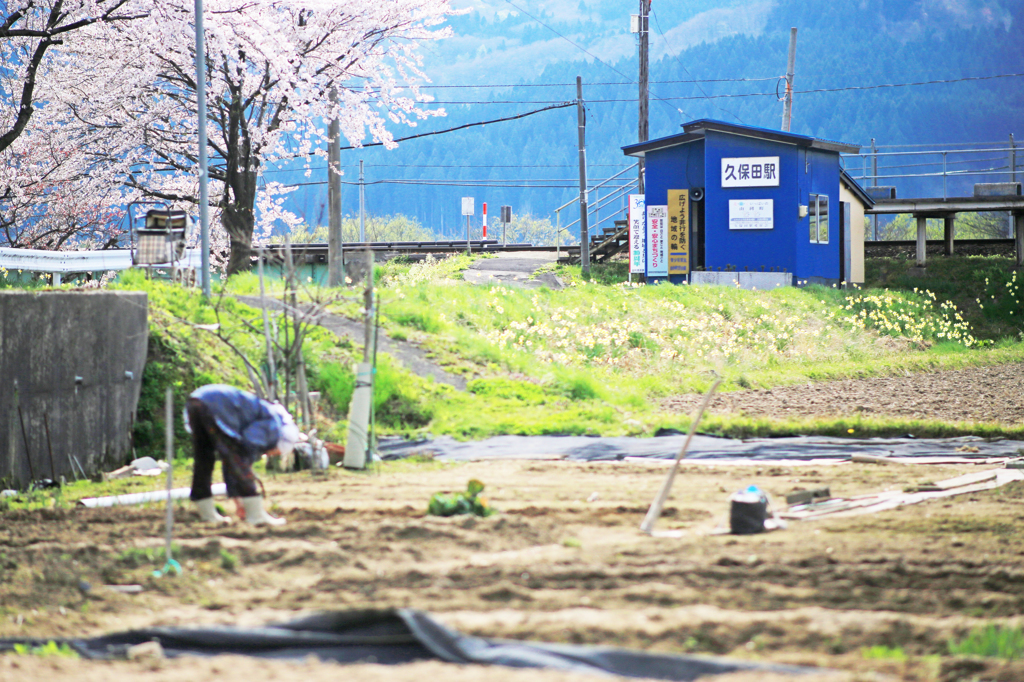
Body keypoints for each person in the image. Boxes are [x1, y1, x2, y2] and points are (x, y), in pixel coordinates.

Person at [183, 384, 301, 526]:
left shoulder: (265, 415)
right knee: (236, 458)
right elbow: (240, 452)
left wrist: (237, 499)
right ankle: (255, 515)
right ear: (281, 442)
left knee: (204, 458)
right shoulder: (273, 426)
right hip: (218, 405)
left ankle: (207, 513)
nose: (271, 454)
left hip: (196, 401)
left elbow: (230, 461)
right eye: (277, 452)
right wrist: (244, 489)